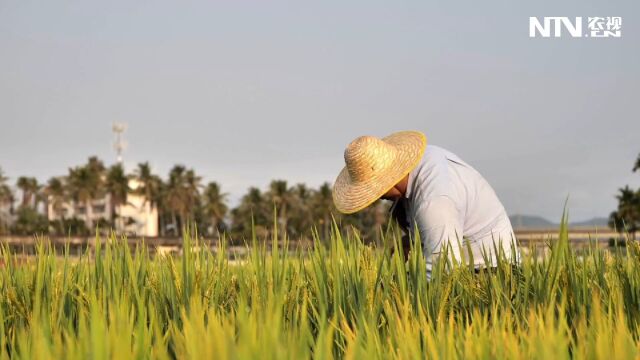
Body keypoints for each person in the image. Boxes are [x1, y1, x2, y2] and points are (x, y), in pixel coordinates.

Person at [332, 130, 521, 277]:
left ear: (388, 180)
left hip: (490, 271)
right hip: (459, 264)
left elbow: (442, 268)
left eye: (375, 190)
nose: (376, 198)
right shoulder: (420, 167)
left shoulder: (435, 199)